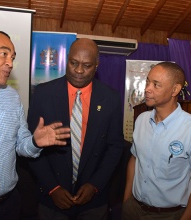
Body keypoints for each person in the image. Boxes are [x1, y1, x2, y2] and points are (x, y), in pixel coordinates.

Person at [0, 28, 70, 220]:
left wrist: (35, 142)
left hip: (9, 206)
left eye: (12, 57)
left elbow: (21, 144)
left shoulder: (11, 97)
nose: (10, 63)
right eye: (4, 54)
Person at [27, 38, 124, 219]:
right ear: (67, 61)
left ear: (97, 65)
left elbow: (115, 147)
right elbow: (31, 146)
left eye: (87, 65)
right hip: (51, 198)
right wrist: (52, 188)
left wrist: (95, 185)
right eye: (73, 63)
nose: (79, 70)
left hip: (93, 201)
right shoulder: (43, 93)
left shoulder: (111, 98)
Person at [122, 61, 191, 220]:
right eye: (148, 81)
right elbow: (134, 159)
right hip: (133, 209)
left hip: (169, 215)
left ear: (175, 89)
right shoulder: (141, 120)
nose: (147, 88)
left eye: (156, 85)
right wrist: (127, 200)